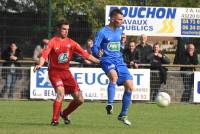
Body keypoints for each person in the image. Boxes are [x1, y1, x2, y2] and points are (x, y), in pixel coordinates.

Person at [34, 19, 100, 126]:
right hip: (54, 72)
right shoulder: (52, 42)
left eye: (67, 29)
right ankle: (54, 120)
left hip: (66, 73)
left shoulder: (71, 43)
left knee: (80, 100)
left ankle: (64, 114)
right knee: (60, 92)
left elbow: (85, 55)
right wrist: (40, 65)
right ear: (58, 29)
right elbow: (44, 55)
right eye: (64, 29)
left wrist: (99, 61)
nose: (66, 31)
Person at [92, 9, 133, 125]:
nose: (122, 22)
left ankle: (123, 115)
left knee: (130, 87)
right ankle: (110, 104)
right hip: (106, 60)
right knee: (113, 77)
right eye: (120, 20)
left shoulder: (120, 30)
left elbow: (119, 45)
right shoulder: (102, 32)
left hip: (119, 61)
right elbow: (95, 47)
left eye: (122, 20)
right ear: (113, 19)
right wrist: (97, 53)